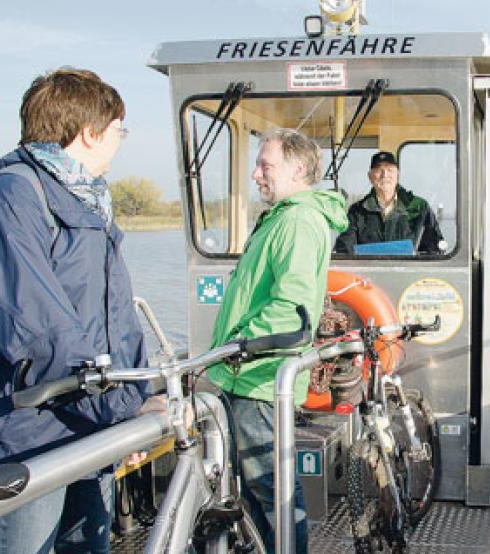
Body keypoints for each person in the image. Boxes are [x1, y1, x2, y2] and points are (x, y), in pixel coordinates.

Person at [0, 68, 159, 553]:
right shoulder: (11, 196)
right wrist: (122, 409)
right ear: (90, 132)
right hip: (22, 437)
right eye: (118, 130)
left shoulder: (88, 204)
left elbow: (114, 318)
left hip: (85, 429)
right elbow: (35, 328)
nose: (121, 140)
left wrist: (140, 392)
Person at [208, 128, 348, 553]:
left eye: (266, 165)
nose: (255, 174)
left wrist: (234, 347)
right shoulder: (282, 218)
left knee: (273, 496)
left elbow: (292, 308)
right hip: (245, 378)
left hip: (257, 379)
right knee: (257, 496)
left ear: (298, 169)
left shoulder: (299, 221)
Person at [333, 151, 444, 254]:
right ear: (370, 177)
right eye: (378, 170)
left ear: (397, 175)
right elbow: (344, 250)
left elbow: (435, 249)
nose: (385, 175)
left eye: (390, 170)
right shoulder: (357, 211)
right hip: (368, 274)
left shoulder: (419, 207)